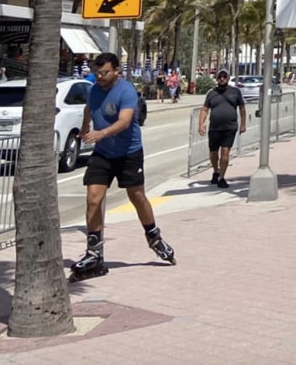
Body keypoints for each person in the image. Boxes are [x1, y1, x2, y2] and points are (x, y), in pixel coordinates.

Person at [71, 52, 175, 279]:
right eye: (96, 73)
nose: (100, 76)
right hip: (103, 154)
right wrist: (85, 127)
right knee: (93, 198)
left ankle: (154, 237)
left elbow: (125, 121)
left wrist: (101, 133)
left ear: (117, 71)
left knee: (137, 196)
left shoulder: (126, 91)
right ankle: (94, 253)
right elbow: (89, 108)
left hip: (129, 153)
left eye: (104, 72)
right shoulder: (94, 90)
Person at [198, 69, 247, 187]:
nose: (222, 79)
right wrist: (201, 125)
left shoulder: (235, 92)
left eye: (224, 77)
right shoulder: (211, 93)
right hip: (214, 128)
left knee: (225, 152)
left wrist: (243, 124)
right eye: (220, 77)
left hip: (230, 127)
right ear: (216, 79)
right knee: (213, 152)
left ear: (228, 78)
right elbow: (205, 109)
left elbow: (242, 108)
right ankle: (216, 171)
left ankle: (222, 178)